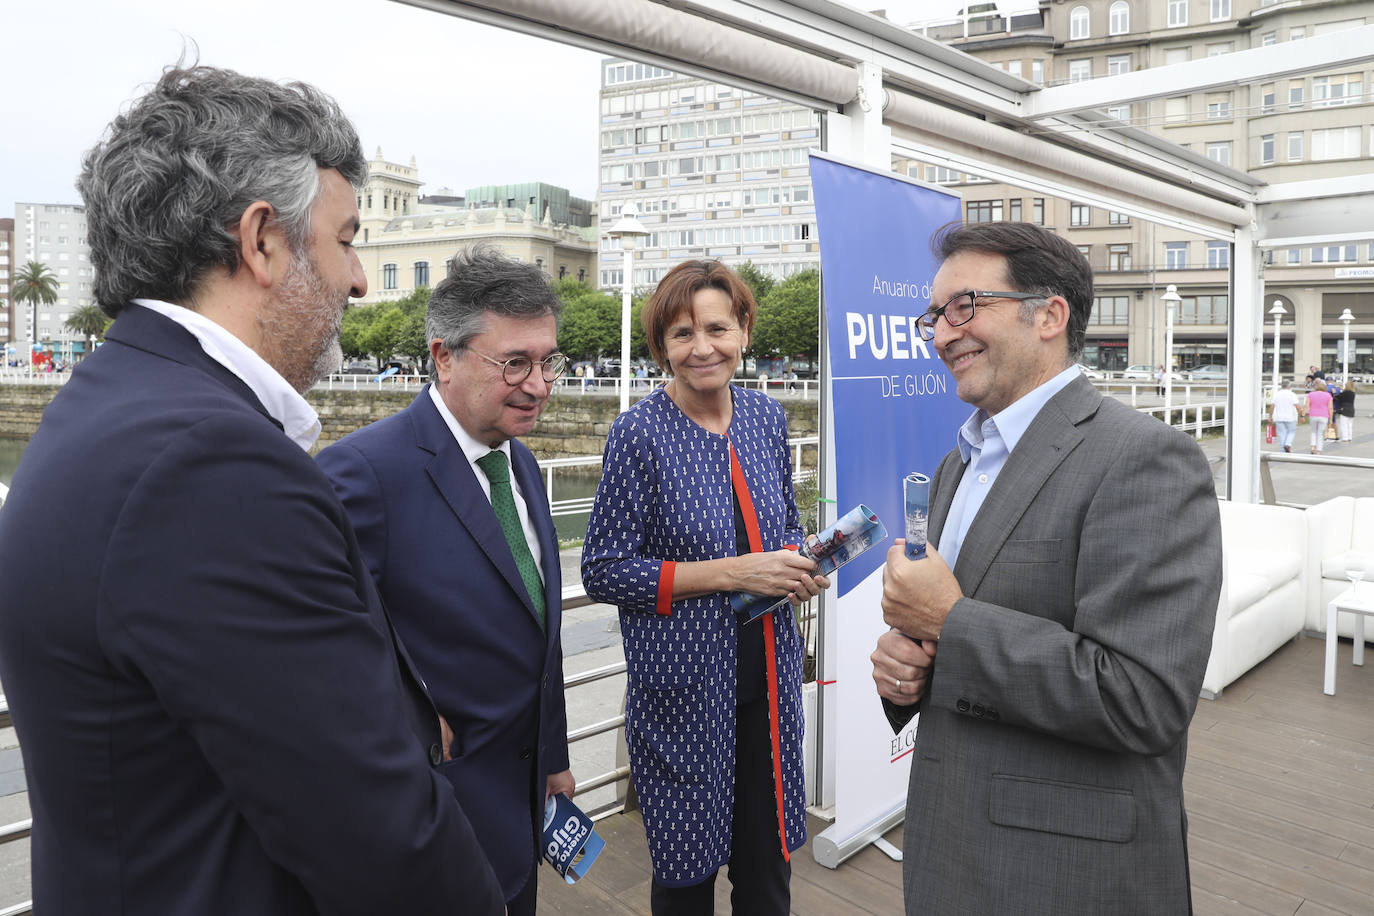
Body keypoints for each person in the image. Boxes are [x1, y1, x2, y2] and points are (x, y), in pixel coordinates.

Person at [0, 65, 505, 914]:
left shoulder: (104, 409)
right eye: (344, 240)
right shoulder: (212, 469)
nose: (355, 281)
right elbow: (385, 843)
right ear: (262, 240)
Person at [870, 221, 1222, 915]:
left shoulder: (1146, 458)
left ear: (1050, 315)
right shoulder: (955, 465)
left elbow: (1141, 698)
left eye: (966, 307)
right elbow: (952, 646)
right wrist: (906, 672)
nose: (942, 335)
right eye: (935, 316)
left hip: (1065, 875)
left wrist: (950, 621)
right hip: (949, 851)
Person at [317, 246, 573, 916]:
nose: (540, 384)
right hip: (433, 835)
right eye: (515, 363)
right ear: (444, 357)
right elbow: (328, 663)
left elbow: (537, 633)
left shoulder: (519, 465)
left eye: (549, 361)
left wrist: (551, 757)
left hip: (524, 820)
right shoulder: (363, 474)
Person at [582, 259, 829, 915]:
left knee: (766, 875)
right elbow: (603, 567)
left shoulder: (764, 418)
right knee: (686, 880)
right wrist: (734, 573)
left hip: (769, 683)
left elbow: (787, 524)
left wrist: (797, 565)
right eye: (682, 333)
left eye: (717, 328)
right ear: (661, 345)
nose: (702, 348)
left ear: (744, 330)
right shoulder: (637, 435)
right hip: (684, 690)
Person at [1271, 380, 1301, 452]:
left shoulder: (1276, 394)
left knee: (1281, 434)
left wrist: (1270, 416)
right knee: (1291, 431)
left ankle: (1283, 451)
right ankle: (1288, 444)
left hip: (1279, 417)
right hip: (1291, 417)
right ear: (1289, 386)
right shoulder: (1292, 394)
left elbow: (1272, 406)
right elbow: (1297, 406)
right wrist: (1301, 415)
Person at [1305, 380, 1334, 453]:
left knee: (1313, 431)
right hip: (1324, 415)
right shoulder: (1328, 395)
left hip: (1313, 415)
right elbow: (1330, 408)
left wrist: (1304, 414)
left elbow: (1307, 406)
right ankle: (1319, 450)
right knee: (1320, 433)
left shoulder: (1311, 394)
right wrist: (1331, 419)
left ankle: (1312, 447)